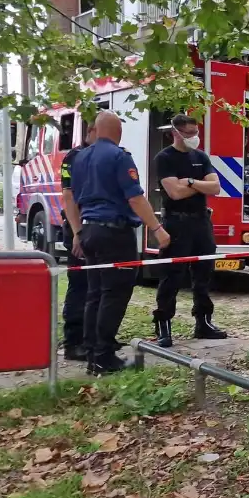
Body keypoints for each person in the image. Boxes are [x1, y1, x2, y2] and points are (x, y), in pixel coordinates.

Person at [72, 111, 171, 375]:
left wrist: (77, 231)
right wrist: (157, 229)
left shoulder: (80, 157)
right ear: (117, 131)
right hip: (115, 234)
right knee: (114, 295)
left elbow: (71, 197)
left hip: (89, 231)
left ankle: (94, 354)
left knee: (94, 293)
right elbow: (136, 198)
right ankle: (105, 357)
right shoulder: (119, 156)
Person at [151, 115, 228, 347]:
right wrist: (195, 185)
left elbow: (215, 187)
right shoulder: (164, 158)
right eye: (188, 133)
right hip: (176, 222)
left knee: (204, 274)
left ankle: (203, 322)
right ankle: (163, 324)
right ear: (175, 132)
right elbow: (174, 193)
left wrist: (191, 182)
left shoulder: (200, 157)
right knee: (172, 276)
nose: (194, 137)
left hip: (201, 222)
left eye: (196, 132)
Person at [58, 122, 95, 361]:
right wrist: (77, 233)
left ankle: (93, 337)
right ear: (90, 132)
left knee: (97, 287)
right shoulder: (74, 158)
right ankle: (73, 342)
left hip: (96, 228)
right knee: (80, 286)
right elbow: (68, 196)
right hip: (79, 227)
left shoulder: (98, 156)